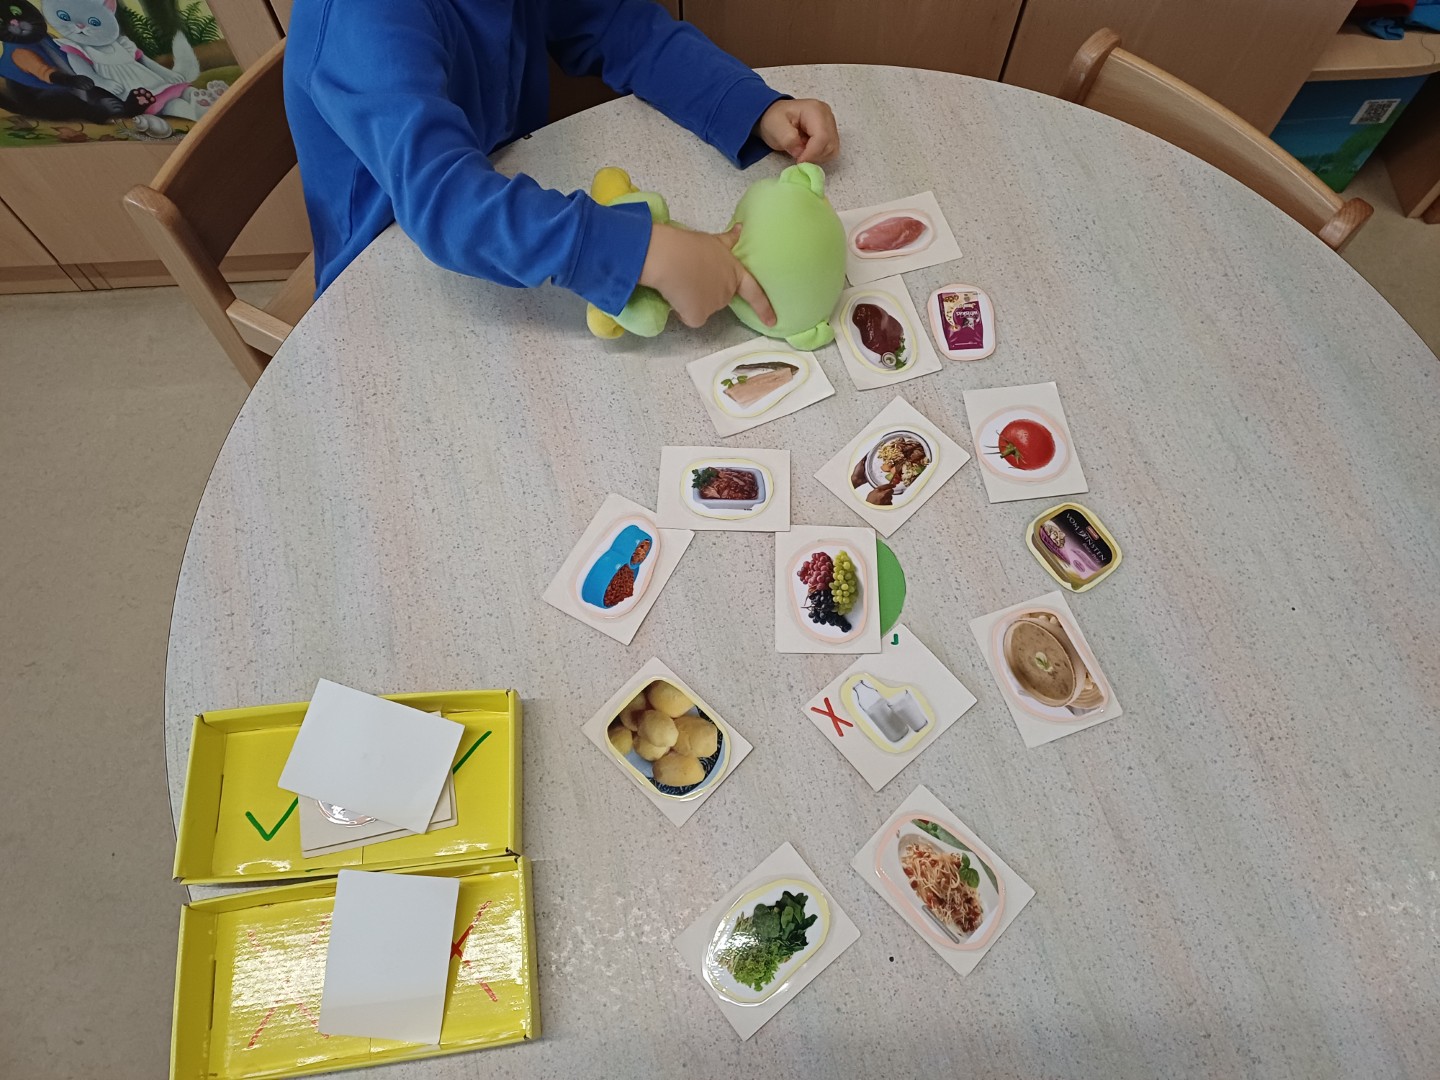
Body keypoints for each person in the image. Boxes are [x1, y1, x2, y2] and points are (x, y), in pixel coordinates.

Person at [284, 0, 841, 328]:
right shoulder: (363, 18)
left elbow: (617, 25)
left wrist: (748, 106)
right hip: (389, 292)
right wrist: (638, 250)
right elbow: (446, 201)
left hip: (503, 231)